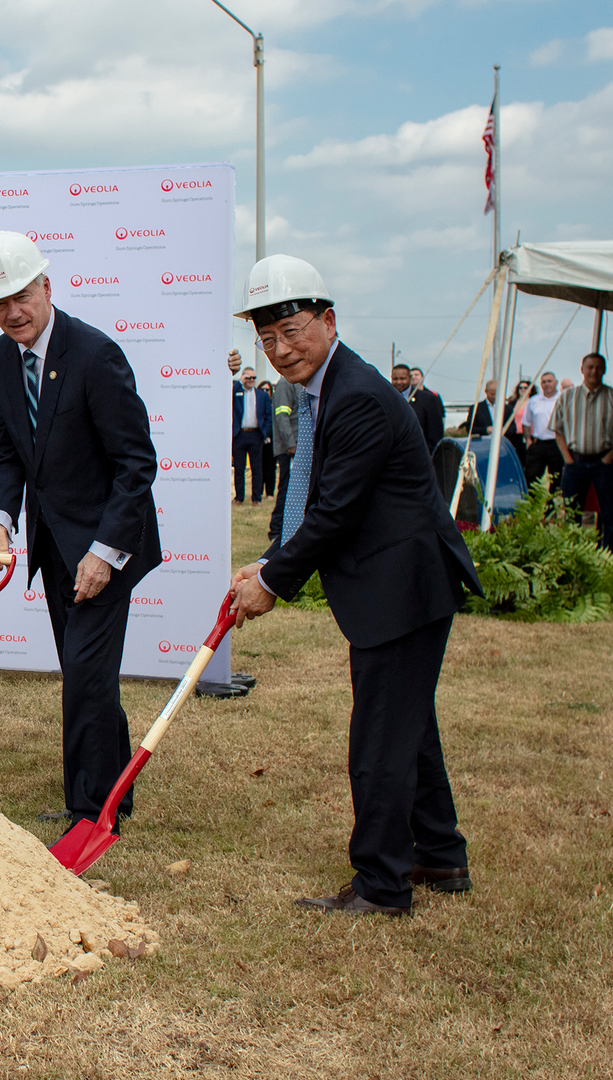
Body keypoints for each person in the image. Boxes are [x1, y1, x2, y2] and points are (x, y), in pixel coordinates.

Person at [227, 255, 479, 916]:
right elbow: (313, 497)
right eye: (268, 339)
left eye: (292, 331)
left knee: (380, 743)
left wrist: (273, 582)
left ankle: (382, 885)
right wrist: (270, 558)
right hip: (397, 585)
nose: (282, 349)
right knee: (408, 727)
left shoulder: (357, 395)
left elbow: (335, 513)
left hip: (402, 590)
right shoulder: (325, 391)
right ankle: (439, 853)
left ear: (329, 320)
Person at [0, 231, 160, 829]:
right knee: (86, 673)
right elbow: (8, 452)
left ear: (47, 287)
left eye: (21, 297)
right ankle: (112, 791)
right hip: (53, 545)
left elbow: (136, 463)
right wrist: (0, 519)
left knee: (84, 675)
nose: (12, 313)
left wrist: (106, 551)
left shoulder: (95, 354)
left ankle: (90, 812)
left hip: (108, 544)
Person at [551, 352, 613, 554]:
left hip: (604, 462)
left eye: (598, 367)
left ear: (604, 370)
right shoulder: (567, 397)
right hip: (575, 461)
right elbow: (557, 430)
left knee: (609, 514)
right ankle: (572, 555)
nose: (594, 371)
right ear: (582, 369)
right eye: (590, 367)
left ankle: (610, 559)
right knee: (571, 514)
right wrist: (568, 459)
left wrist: (610, 457)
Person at [232, 366, 272, 504]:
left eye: (254, 378)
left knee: (257, 468)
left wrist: (264, 432)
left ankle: (256, 498)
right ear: (243, 378)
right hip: (239, 435)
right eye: (248, 377)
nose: (251, 380)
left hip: (256, 435)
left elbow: (269, 415)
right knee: (239, 468)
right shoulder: (237, 392)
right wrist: (239, 382)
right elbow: (228, 395)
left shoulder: (262, 395)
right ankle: (239, 497)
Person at [267, 368, 298, 541]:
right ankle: (276, 530)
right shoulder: (286, 383)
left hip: (299, 447)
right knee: (287, 488)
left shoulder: (300, 383)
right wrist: (291, 444)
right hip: (290, 449)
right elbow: (281, 416)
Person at [520, 371, 563, 488]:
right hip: (539, 443)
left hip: (557, 443)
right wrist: (528, 440)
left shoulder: (562, 399)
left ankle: (554, 499)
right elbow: (526, 422)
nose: (547, 384)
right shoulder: (534, 400)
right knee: (532, 476)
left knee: (556, 477)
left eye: (549, 381)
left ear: (556, 383)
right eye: (544, 382)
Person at [393, 363, 445, 452]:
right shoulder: (387, 398)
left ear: (409, 378)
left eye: (402, 379)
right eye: (395, 379)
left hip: (420, 452)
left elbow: (435, 433)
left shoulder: (428, 399)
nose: (399, 382)